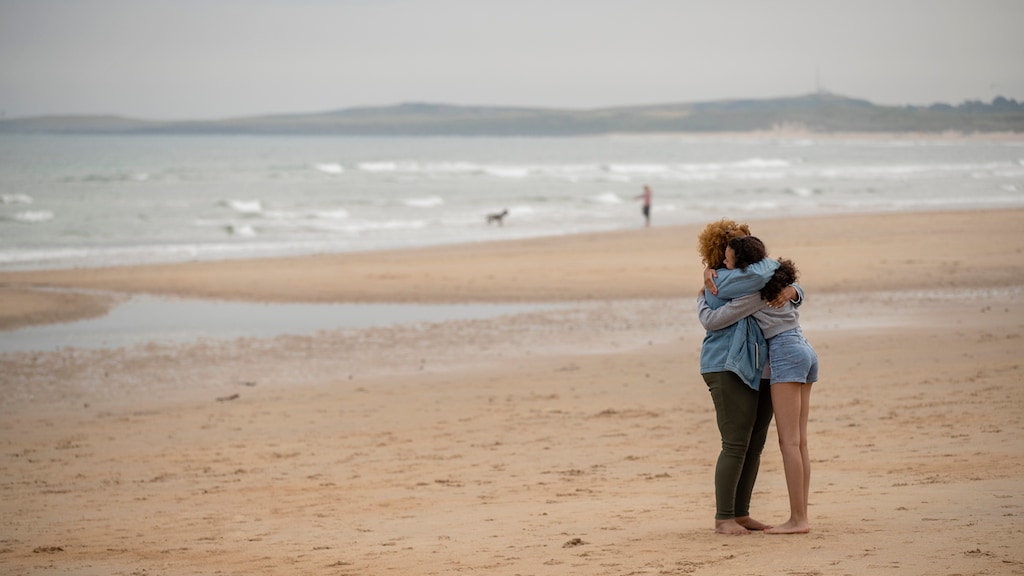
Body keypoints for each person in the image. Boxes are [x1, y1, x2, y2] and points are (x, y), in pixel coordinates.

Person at [698, 235, 818, 535]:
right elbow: (776, 273)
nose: (723, 264)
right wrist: (794, 289)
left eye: (728, 260)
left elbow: (714, 313)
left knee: (789, 442)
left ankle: (798, 519)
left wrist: (702, 294)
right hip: (801, 348)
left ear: (743, 266)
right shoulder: (774, 278)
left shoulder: (753, 288)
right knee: (799, 441)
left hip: (785, 353)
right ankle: (795, 516)